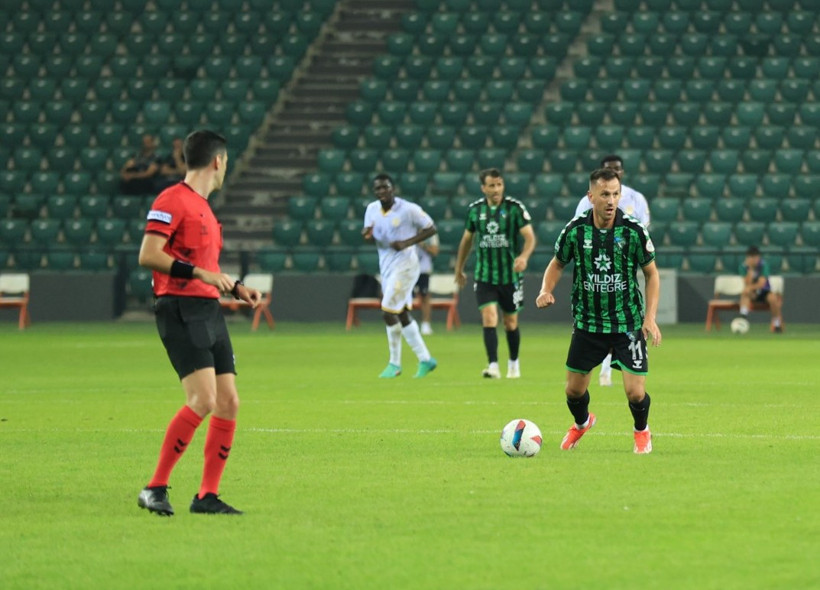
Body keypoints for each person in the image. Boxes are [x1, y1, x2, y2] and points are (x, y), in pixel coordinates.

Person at [137, 130, 262, 516]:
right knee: (203, 399)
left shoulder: (205, 207)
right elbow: (148, 254)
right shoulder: (171, 199)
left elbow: (205, 267)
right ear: (218, 161)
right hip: (179, 307)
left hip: (209, 310)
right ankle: (154, 487)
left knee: (228, 402)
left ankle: (207, 495)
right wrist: (204, 276)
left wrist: (233, 286)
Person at [536, 167, 662, 454]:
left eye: (615, 194)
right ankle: (582, 423)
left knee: (635, 392)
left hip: (626, 323)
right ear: (590, 196)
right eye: (604, 194)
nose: (611, 200)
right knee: (573, 391)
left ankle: (641, 431)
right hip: (588, 323)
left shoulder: (633, 231)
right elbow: (557, 263)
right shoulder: (575, 230)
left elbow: (652, 275)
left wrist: (650, 317)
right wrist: (545, 290)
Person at [573, 154, 651, 387]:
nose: (613, 171)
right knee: (600, 313)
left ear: (622, 172)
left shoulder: (636, 198)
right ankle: (604, 366)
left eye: (616, 168)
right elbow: (578, 226)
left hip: (623, 265)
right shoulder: (588, 199)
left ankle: (614, 364)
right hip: (595, 266)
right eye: (608, 168)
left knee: (621, 311)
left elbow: (643, 228)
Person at [454, 168, 536, 379]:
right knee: (489, 317)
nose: (496, 189)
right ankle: (493, 365)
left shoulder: (515, 209)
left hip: (510, 277)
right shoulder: (475, 211)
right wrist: (459, 268)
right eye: (491, 185)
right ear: (483, 188)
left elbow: (529, 237)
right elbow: (466, 241)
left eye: (499, 184)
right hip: (484, 276)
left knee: (510, 322)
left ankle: (513, 364)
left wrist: (524, 257)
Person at [363, 173, 438, 378]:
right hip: (386, 266)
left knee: (387, 311)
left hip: (406, 265)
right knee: (401, 313)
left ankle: (394, 363)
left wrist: (407, 243)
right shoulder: (371, 210)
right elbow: (370, 235)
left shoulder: (408, 209)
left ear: (392, 188)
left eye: (385, 187)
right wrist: (367, 236)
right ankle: (425, 359)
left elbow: (431, 228)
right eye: (378, 189)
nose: (382, 192)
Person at [738, 245, 783, 332]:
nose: (753, 259)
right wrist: (750, 270)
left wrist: (750, 287)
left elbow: (762, 283)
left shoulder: (764, 265)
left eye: (755, 257)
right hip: (753, 293)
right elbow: (747, 282)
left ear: (758, 257)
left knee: (773, 298)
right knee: (745, 293)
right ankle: (743, 316)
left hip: (764, 292)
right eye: (751, 257)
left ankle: (777, 324)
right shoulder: (743, 267)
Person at [415, 233, 440, 335]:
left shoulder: (430, 235)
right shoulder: (407, 230)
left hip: (423, 270)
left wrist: (422, 244)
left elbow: (435, 251)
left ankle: (426, 325)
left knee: (425, 297)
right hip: (408, 269)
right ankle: (404, 324)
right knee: (404, 298)